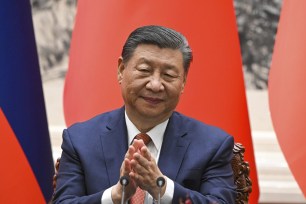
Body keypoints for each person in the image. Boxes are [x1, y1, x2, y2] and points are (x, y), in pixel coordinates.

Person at [53, 25, 236, 204]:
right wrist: (116, 196)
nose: (155, 85)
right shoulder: (79, 140)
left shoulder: (213, 146)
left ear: (183, 82)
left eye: (169, 75)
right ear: (121, 70)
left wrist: (162, 188)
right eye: (144, 71)